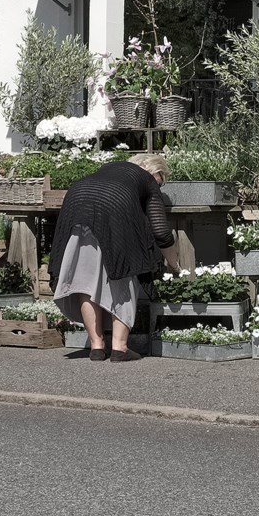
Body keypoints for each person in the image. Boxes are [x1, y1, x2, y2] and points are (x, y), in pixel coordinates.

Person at [49, 152, 172, 362]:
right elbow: (160, 230)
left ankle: (96, 347)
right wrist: (173, 261)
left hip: (77, 204)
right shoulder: (147, 180)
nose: (158, 188)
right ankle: (120, 348)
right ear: (154, 172)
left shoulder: (110, 169)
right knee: (123, 273)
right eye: (160, 182)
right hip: (115, 206)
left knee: (85, 279)